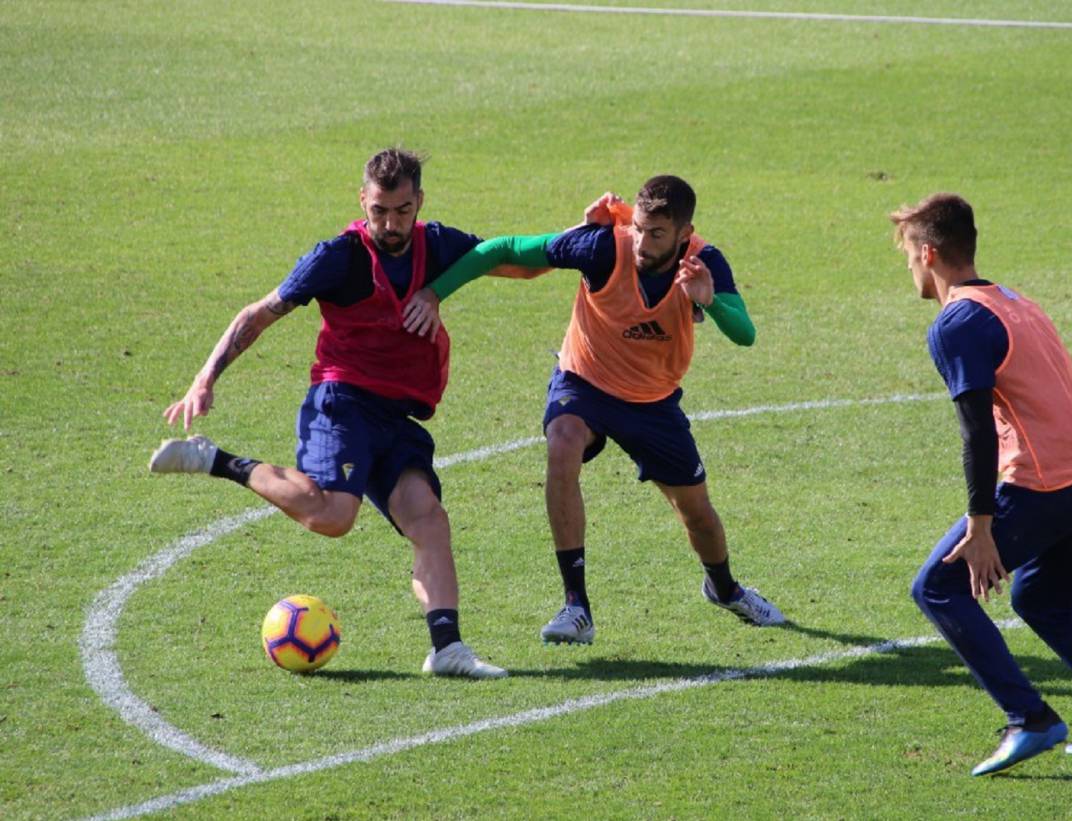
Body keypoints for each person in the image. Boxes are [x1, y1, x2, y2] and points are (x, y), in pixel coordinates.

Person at [149, 148, 512, 679]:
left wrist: (590, 235)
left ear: (420, 203)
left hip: (396, 416)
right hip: (341, 403)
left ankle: (447, 649)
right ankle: (218, 461)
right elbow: (258, 314)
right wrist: (205, 379)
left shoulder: (437, 246)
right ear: (362, 200)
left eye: (402, 211)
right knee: (333, 516)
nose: (390, 224)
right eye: (380, 211)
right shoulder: (338, 257)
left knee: (429, 520)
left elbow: (512, 259)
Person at [402, 175, 785, 647]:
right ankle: (576, 606)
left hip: (652, 402)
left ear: (685, 233)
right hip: (584, 382)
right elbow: (504, 249)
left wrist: (711, 303)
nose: (643, 241)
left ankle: (725, 590)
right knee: (561, 442)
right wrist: (434, 293)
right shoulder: (602, 247)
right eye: (640, 228)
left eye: (657, 233)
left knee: (697, 514)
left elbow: (744, 333)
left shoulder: (704, 264)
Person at [892, 193, 1072, 774]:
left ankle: (1032, 719)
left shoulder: (958, 322)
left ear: (929, 253)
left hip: (1042, 485)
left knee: (937, 588)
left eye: (908, 257)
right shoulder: (1016, 302)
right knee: (1039, 599)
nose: (909, 269)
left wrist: (981, 528)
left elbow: (975, 431)